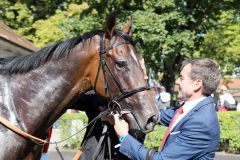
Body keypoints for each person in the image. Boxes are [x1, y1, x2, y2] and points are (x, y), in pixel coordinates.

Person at [102, 58, 221, 160]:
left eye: (181, 78)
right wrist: (143, 78)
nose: (177, 82)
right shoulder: (190, 109)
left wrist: (123, 136)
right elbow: (154, 115)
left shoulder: (201, 123)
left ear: (197, 84)